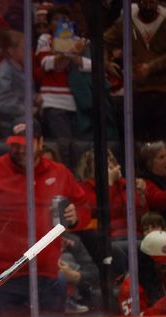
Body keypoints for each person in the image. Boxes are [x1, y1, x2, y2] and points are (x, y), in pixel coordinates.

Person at [0, 118, 91, 316]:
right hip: (1, 276)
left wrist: (76, 215)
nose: (20, 150)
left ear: (40, 142)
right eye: (15, 145)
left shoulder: (59, 172)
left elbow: (83, 208)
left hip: (47, 274)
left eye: (25, 145)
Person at [104, 0, 166, 141]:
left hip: (163, 91)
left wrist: (151, 67)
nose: (148, 4)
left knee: (161, 143)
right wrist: (106, 63)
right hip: (137, 92)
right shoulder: (126, 20)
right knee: (136, 143)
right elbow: (105, 41)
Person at [35, 5, 92, 140]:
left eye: (64, 19)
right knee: (64, 146)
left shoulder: (80, 41)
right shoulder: (46, 39)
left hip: (78, 102)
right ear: (49, 25)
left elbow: (92, 66)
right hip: (53, 102)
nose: (61, 23)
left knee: (78, 147)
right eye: (56, 19)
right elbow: (46, 63)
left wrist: (70, 53)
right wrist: (71, 52)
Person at [0, 29, 25, 136]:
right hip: (8, 125)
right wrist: (26, 109)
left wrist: (34, 98)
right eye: (23, 48)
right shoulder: (2, 72)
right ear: (11, 51)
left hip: (22, 119)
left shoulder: (20, 69)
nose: (27, 51)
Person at [136, 141, 166, 216]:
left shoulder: (163, 177)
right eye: (161, 157)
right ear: (150, 163)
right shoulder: (144, 181)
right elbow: (158, 200)